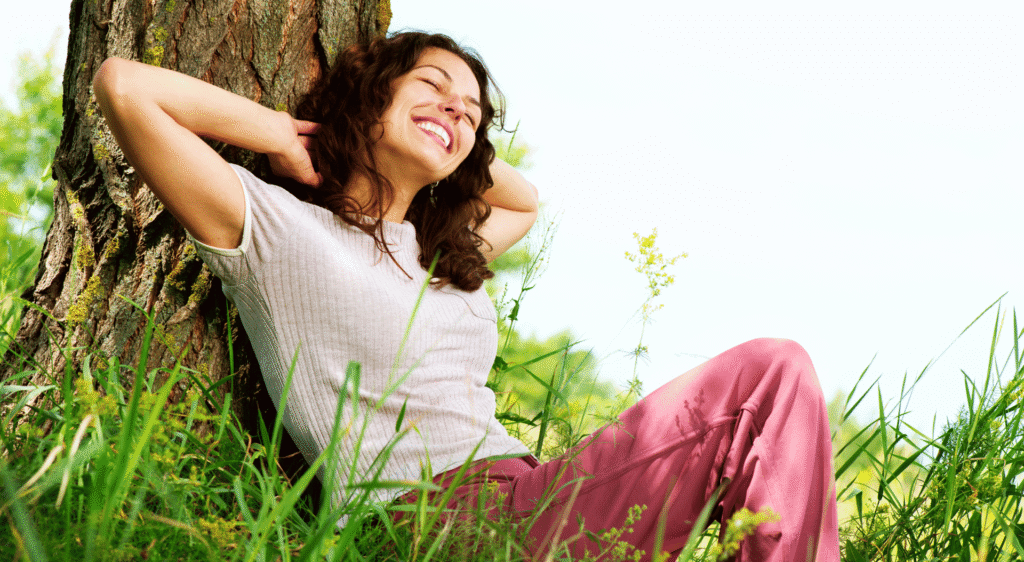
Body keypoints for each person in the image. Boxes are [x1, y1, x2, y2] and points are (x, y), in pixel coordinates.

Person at [93, 31, 840, 561]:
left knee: (776, 380)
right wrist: (290, 137)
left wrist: (451, 137)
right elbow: (127, 87)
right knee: (769, 373)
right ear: (369, 95)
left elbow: (524, 199)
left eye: (473, 111)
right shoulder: (278, 233)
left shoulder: (441, 255)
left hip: (529, 500)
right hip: (436, 522)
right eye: (433, 87)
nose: (457, 110)